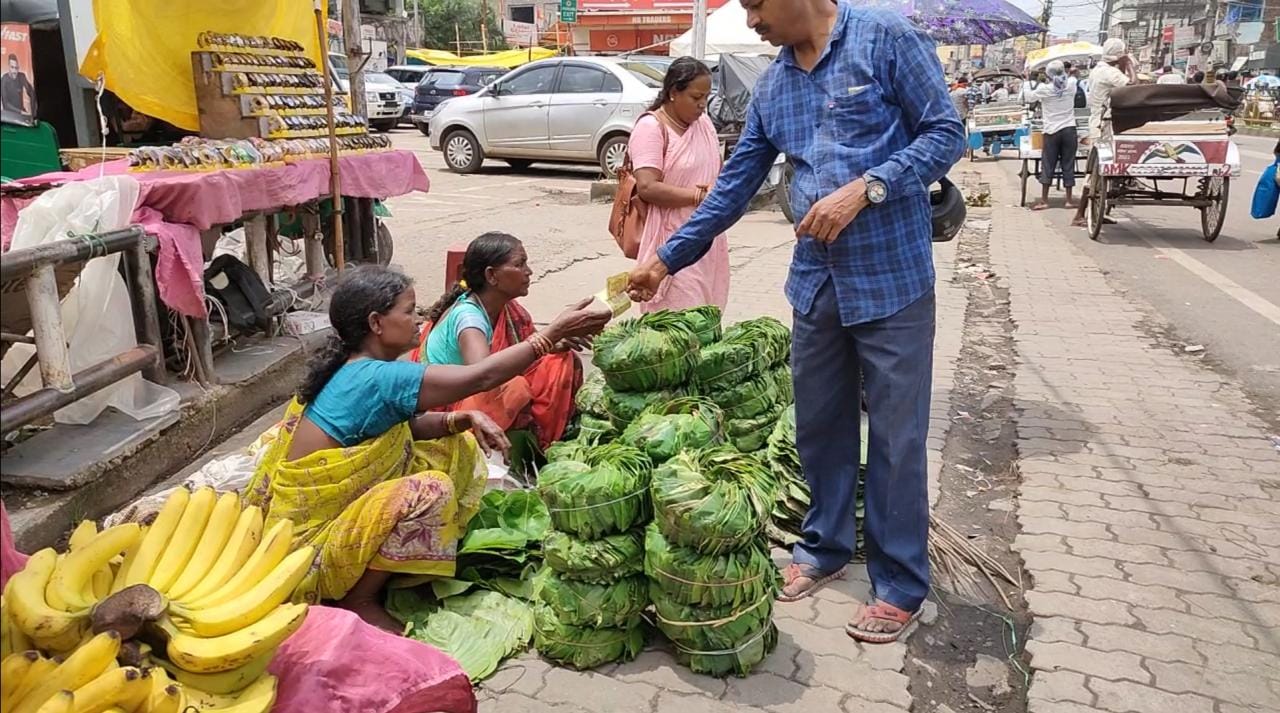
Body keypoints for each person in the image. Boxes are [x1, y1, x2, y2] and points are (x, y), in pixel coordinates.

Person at [628, 0, 965, 643]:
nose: (751, 20)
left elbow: (946, 134)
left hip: (892, 279)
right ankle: (824, 548)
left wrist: (868, 187)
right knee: (819, 425)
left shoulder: (886, 38)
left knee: (895, 438)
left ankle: (899, 583)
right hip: (816, 282)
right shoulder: (774, 85)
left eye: (755, 4)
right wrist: (666, 260)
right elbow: (734, 187)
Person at [246, 265, 610, 630]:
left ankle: (392, 565)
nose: (419, 319)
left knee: (454, 445)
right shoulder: (378, 377)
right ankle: (359, 598)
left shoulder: (357, 366)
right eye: (409, 311)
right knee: (431, 491)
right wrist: (551, 334)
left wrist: (460, 419)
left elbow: (398, 429)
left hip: (321, 515)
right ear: (376, 323)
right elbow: (481, 376)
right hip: (311, 544)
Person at [414, 232, 585, 449]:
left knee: (560, 362)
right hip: (446, 406)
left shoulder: (505, 308)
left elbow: (525, 346)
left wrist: (554, 343)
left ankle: (541, 443)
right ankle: (495, 450)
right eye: (519, 264)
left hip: (472, 390)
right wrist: (551, 334)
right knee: (514, 388)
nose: (529, 271)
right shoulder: (469, 318)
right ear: (491, 275)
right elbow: (483, 376)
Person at [626, 57, 729, 313]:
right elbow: (647, 187)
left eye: (706, 97)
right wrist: (697, 197)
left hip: (706, 235)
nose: (702, 104)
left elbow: (717, 170)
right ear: (673, 92)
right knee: (679, 318)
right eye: (696, 97)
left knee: (705, 313)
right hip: (671, 237)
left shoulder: (704, 125)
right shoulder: (651, 127)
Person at [1073, 38, 1134, 227]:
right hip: (1103, 124)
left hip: (1099, 121)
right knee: (1095, 171)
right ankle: (1080, 214)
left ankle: (1095, 211)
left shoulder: (1099, 69)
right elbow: (1133, 86)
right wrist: (1129, 65)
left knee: (1099, 170)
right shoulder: (1109, 72)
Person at [1027, 61, 1080, 211]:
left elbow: (1029, 97)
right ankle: (1069, 200)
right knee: (1068, 163)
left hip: (1051, 131)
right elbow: (1074, 75)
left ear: (1048, 74)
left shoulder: (1045, 89)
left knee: (1048, 164)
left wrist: (1033, 80)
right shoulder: (1071, 84)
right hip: (1069, 128)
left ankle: (1044, 200)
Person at [1, 54, 36, 122]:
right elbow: (5, 104)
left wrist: (33, 113)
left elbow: (32, 93)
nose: (14, 71)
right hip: (9, 115)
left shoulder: (21, 76)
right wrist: (21, 112)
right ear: (8, 67)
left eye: (16, 68)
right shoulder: (4, 80)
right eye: (12, 67)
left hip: (21, 113)